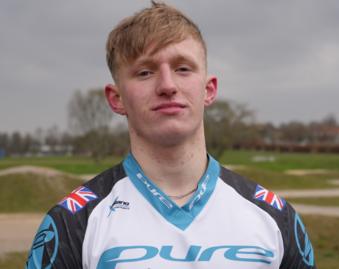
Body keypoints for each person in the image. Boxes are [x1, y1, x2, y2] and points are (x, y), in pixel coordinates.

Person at [26, 2, 316, 268]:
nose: (167, 85)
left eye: (183, 68)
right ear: (116, 98)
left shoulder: (277, 219)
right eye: (144, 72)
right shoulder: (70, 225)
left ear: (208, 89)